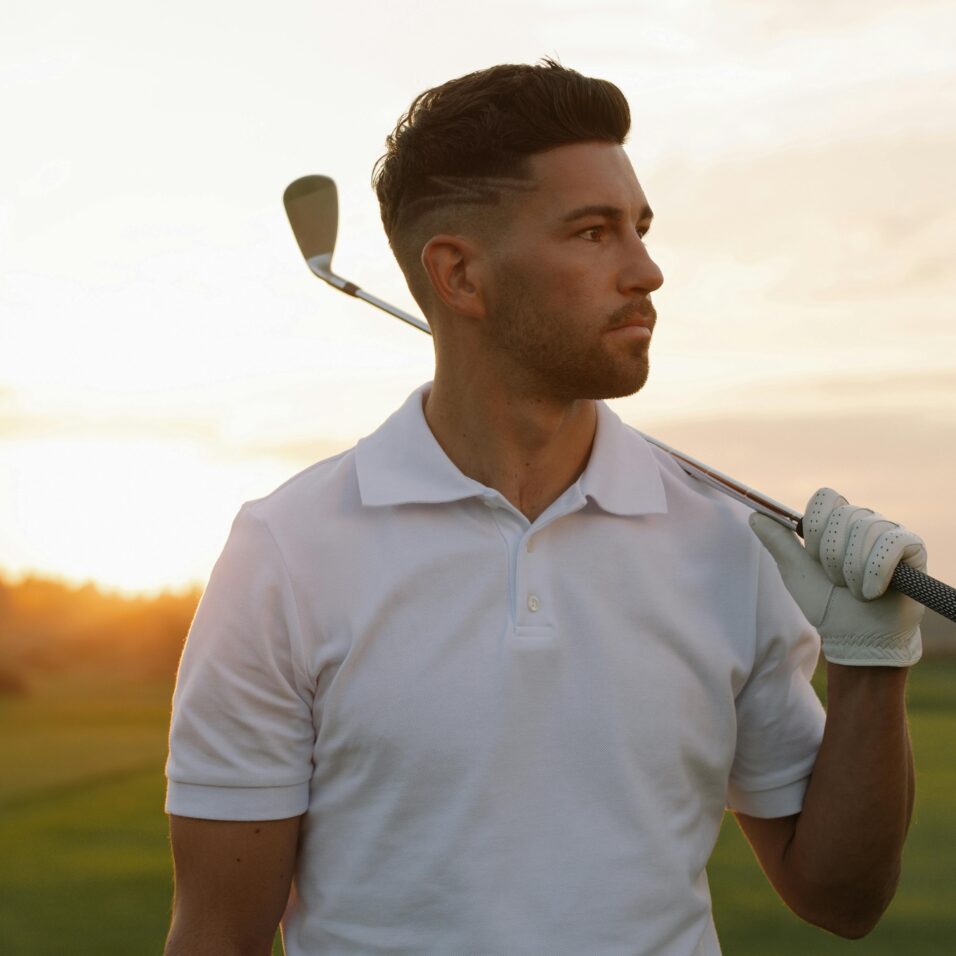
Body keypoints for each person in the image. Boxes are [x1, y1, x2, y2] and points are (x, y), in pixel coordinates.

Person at [164, 59, 927, 955]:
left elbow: (843, 897)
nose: (647, 271)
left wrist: (872, 662)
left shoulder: (727, 540)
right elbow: (219, 935)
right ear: (460, 277)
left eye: (640, 229)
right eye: (594, 233)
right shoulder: (285, 552)